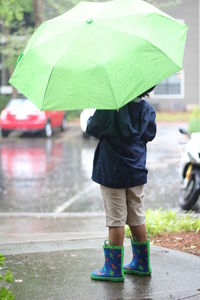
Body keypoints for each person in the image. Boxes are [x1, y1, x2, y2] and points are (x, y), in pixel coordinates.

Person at [86, 86, 157, 282]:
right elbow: (150, 134)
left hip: (112, 172)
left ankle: (113, 268)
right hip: (136, 170)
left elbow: (92, 128)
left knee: (115, 220)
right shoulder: (148, 109)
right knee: (136, 217)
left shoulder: (110, 107)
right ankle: (141, 263)